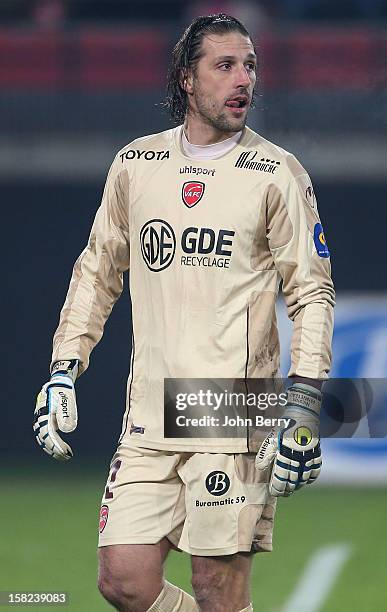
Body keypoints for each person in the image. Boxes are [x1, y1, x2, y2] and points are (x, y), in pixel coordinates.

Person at [33, 13, 335, 612]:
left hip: (232, 402)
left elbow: (311, 292)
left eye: (249, 65)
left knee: (215, 587)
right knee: (123, 579)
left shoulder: (276, 173)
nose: (243, 78)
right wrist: (64, 367)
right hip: (150, 407)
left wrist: (301, 406)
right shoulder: (137, 165)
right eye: (225, 66)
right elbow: (97, 270)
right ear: (186, 79)